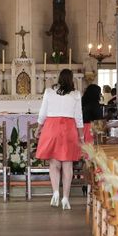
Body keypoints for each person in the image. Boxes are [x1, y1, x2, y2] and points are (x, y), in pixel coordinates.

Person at [35, 69, 83, 210]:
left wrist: (38, 128)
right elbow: (79, 118)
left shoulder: (49, 92)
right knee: (67, 166)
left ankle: (55, 192)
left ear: (59, 78)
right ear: (71, 79)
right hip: (68, 128)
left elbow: (43, 112)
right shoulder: (75, 94)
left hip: (51, 127)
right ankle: (65, 198)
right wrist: (81, 137)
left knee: (54, 164)